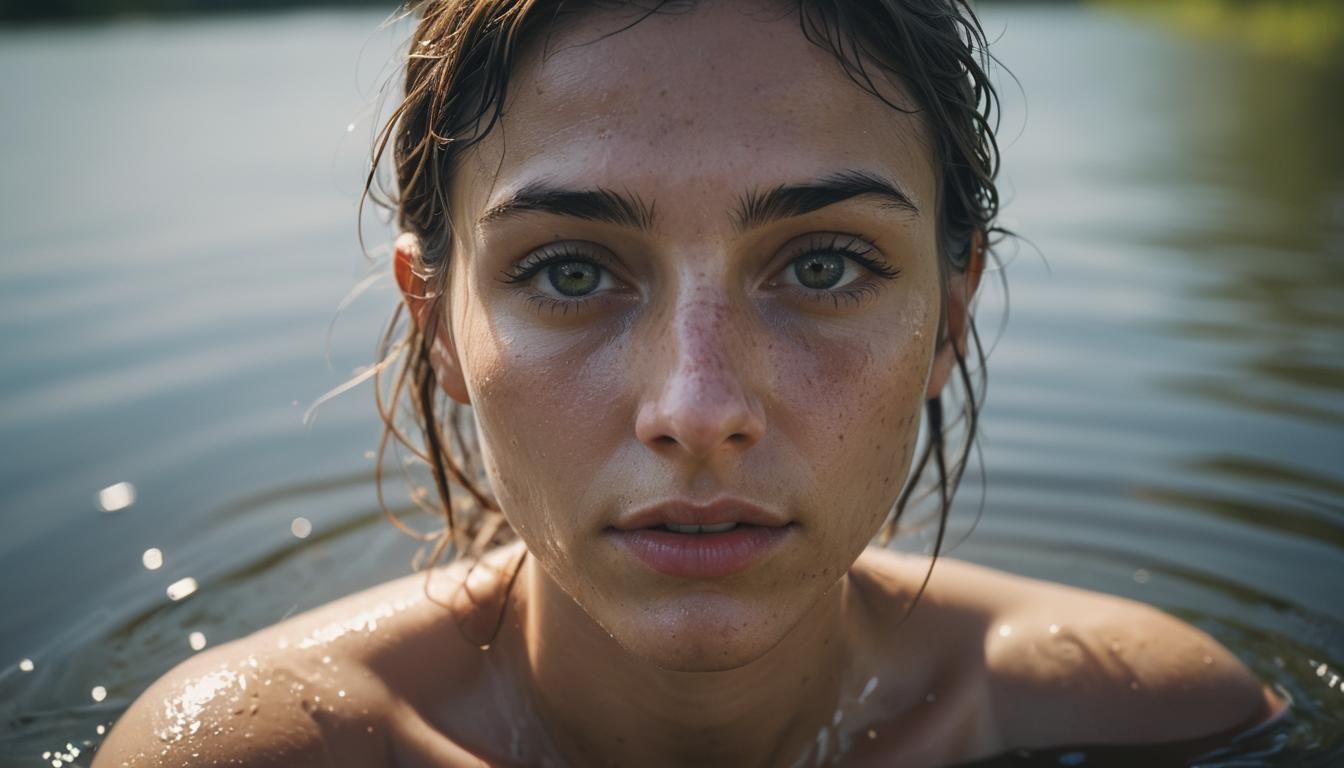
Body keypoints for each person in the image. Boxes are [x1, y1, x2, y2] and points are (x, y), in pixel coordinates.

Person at [93, 1, 1281, 766]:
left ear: (949, 312)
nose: (699, 409)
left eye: (824, 264)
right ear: (437, 320)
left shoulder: (1159, 722)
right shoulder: (256, 750)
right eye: (569, 270)